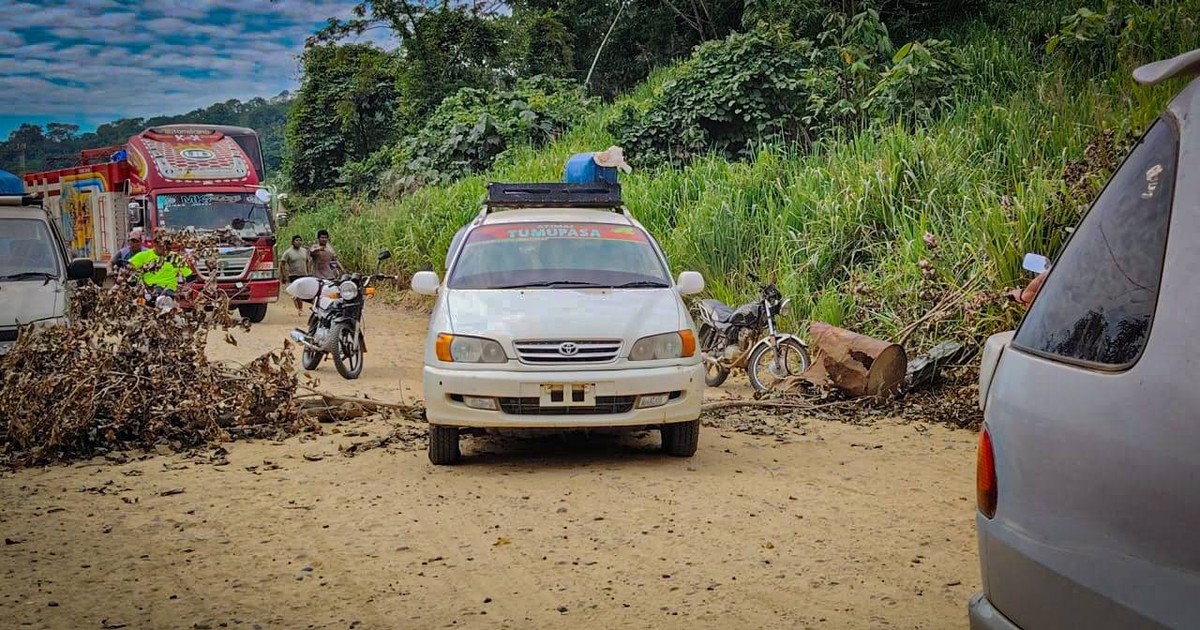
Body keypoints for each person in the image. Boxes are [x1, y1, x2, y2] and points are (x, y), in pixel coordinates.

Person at [128, 229, 196, 297]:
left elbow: (190, 277)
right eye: (162, 246)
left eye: (167, 246)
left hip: (171, 294)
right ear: (155, 243)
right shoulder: (142, 256)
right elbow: (127, 272)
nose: (165, 249)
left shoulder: (176, 258)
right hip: (149, 293)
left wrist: (185, 290)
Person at [280, 235, 312, 315]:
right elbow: (282, 264)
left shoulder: (304, 251)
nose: (298, 242)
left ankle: (295, 297)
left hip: (303, 274)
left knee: (303, 292)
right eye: (296, 240)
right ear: (292, 242)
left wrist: (308, 272)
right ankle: (300, 310)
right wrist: (284, 275)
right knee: (299, 292)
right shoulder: (288, 252)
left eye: (300, 240)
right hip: (293, 275)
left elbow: (307, 261)